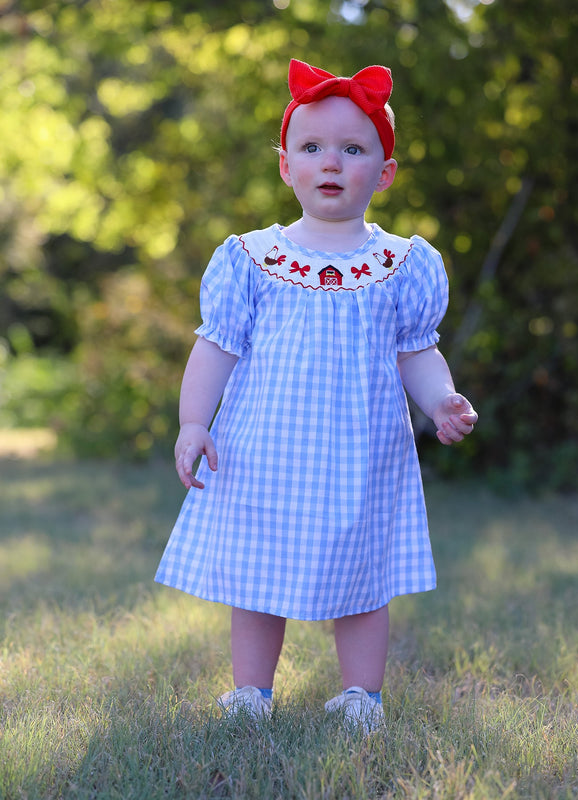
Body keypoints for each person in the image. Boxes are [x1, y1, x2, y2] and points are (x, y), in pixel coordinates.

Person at [155, 58, 478, 733]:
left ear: (383, 173)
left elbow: (416, 351)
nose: (331, 162)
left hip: (361, 454)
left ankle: (362, 696)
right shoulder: (252, 258)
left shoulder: (401, 263)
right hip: (264, 450)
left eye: (352, 149)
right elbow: (216, 346)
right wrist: (193, 422)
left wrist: (442, 398)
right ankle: (252, 693)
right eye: (312, 147)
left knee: (363, 579)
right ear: (285, 166)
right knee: (255, 575)